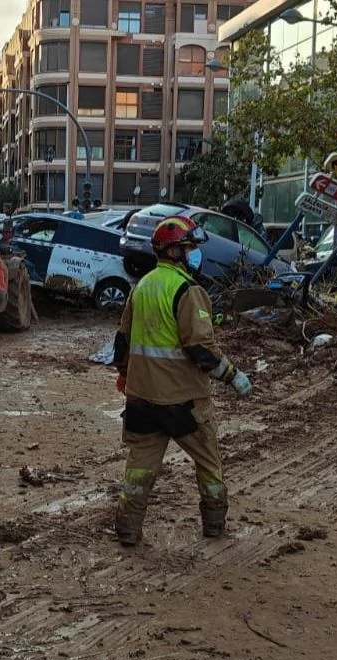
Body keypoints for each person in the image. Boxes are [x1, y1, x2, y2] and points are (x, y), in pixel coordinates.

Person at [112, 216, 252, 547]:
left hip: (142, 399)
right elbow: (200, 349)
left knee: (138, 469)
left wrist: (124, 374)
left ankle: (128, 530)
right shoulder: (188, 290)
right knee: (208, 464)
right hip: (185, 403)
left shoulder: (141, 287)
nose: (194, 255)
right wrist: (233, 376)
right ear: (175, 251)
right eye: (190, 249)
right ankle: (215, 525)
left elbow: (122, 342)